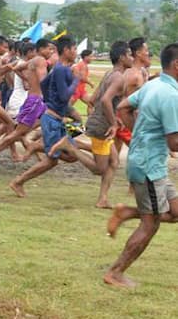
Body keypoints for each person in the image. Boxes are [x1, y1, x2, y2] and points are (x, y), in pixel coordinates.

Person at [103, 43, 178, 288]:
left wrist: (139, 135)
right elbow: (174, 142)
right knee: (151, 224)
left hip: (149, 163)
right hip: (148, 167)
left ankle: (126, 212)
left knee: (175, 212)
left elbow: (123, 107)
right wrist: (144, 138)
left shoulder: (154, 84)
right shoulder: (171, 96)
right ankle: (115, 272)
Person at [49, 42, 134, 208]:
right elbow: (104, 100)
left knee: (114, 162)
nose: (132, 58)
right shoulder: (118, 78)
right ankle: (70, 145)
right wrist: (113, 123)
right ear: (122, 57)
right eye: (129, 54)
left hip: (99, 121)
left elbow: (94, 99)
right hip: (102, 127)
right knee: (99, 169)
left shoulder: (111, 74)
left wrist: (110, 118)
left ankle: (102, 199)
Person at [9, 36, 79, 198]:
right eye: (74, 49)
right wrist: (77, 81)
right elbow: (63, 95)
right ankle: (19, 181)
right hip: (54, 119)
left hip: (57, 118)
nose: (76, 52)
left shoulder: (61, 68)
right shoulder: (61, 69)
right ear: (67, 50)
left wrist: (53, 104)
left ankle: (38, 146)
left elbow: (45, 85)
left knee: (72, 153)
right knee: (55, 159)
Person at [0, 39, 53, 168]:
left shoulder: (32, 61)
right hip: (35, 101)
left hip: (39, 102)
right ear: (41, 49)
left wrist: (27, 78)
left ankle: (37, 145)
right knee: (17, 133)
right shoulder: (41, 61)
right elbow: (43, 81)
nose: (51, 52)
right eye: (49, 49)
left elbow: (16, 67)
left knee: (21, 130)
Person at [70, 49, 95, 114]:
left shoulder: (82, 64)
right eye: (91, 56)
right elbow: (82, 78)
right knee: (68, 106)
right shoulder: (83, 65)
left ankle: (90, 122)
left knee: (91, 104)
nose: (92, 58)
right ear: (86, 57)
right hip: (76, 89)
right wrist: (90, 83)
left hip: (81, 90)